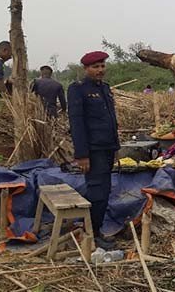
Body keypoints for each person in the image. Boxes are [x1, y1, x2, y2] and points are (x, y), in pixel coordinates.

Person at [67, 51, 119, 249]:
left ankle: (94, 229)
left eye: (102, 66)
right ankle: (93, 233)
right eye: (95, 67)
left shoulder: (105, 89)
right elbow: (77, 123)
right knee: (97, 192)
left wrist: (116, 148)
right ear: (86, 69)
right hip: (93, 151)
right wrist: (81, 155)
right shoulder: (78, 90)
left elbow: (110, 121)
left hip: (107, 148)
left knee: (104, 192)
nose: (100, 70)